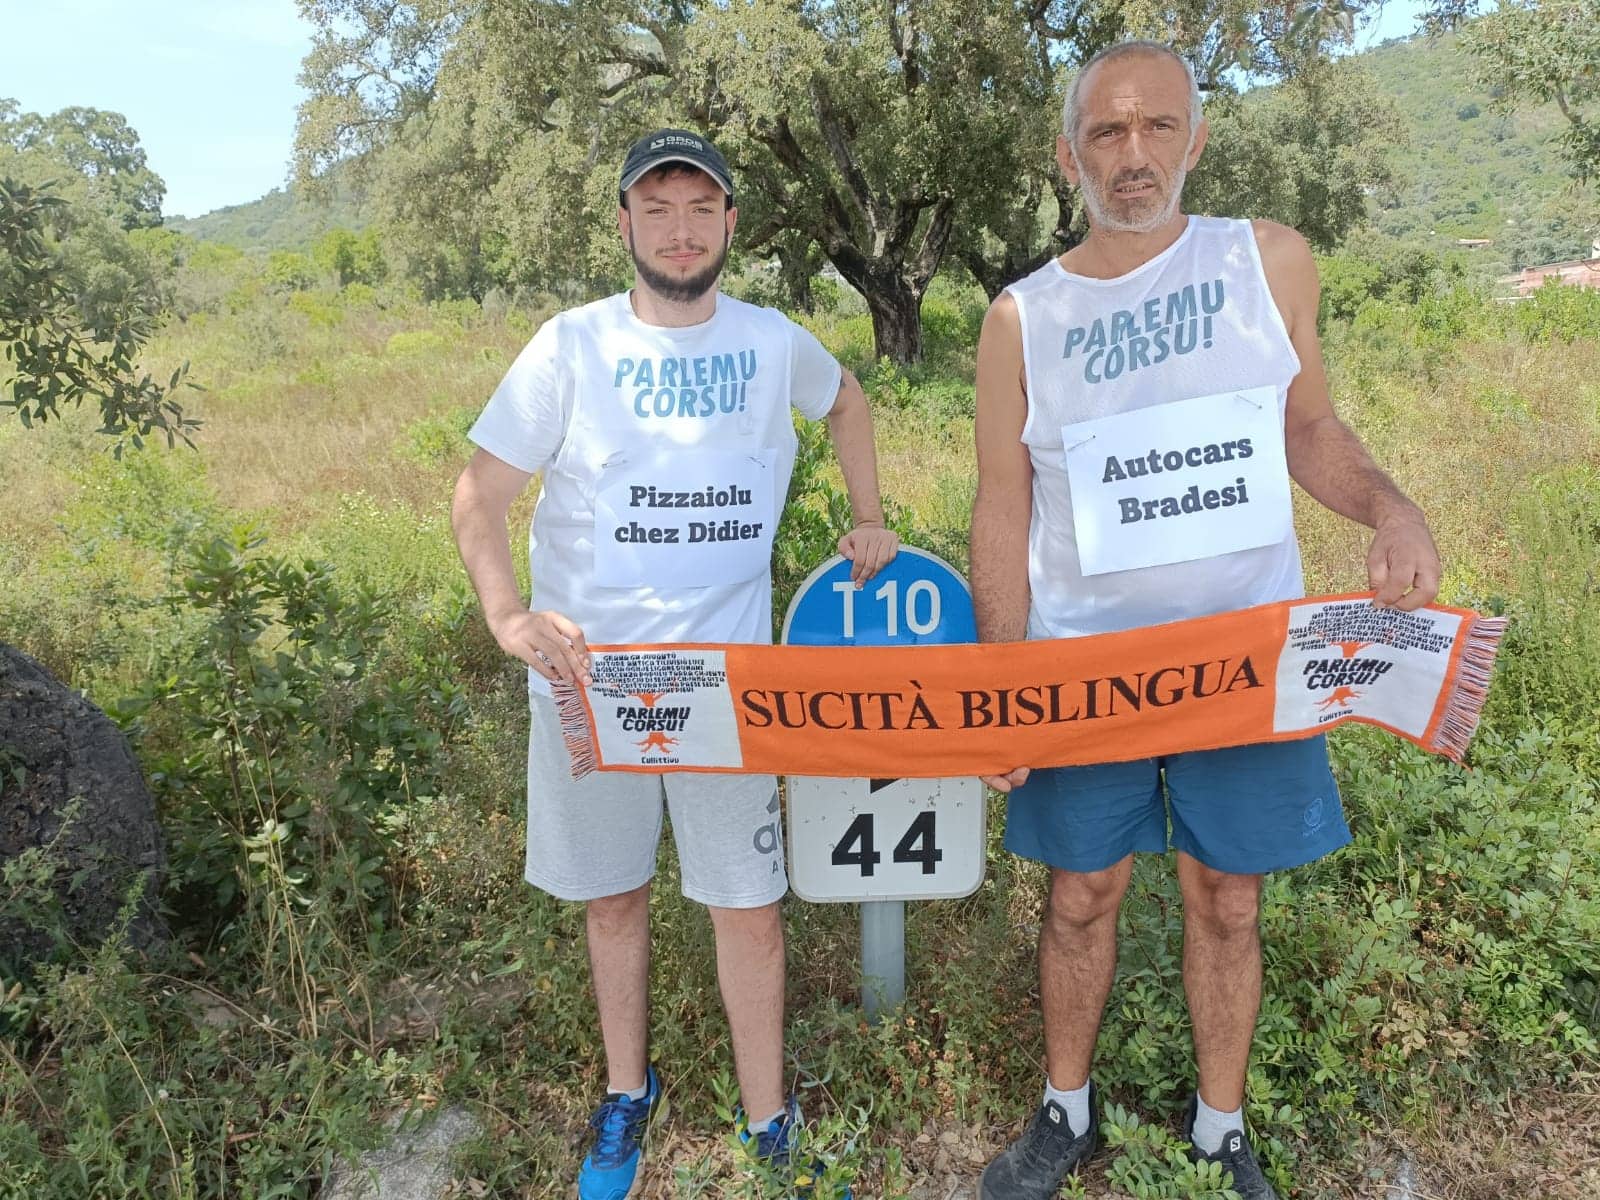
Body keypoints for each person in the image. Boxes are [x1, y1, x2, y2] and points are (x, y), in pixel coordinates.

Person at [968, 41, 1440, 1200]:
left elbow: (1308, 426)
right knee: (1079, 895)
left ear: (1197, 138)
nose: (1132, 155)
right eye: (1106, 131)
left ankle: (1219, 1129)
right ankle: (1065, 1113)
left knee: (1228, 898)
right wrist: (1003, 686)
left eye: (1157, 126)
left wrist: (1391, 508)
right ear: (1069, 153)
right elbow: (1001, 505)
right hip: (1087, 667)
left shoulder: (1263, 261)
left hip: (1246, 661)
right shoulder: (1021, 319)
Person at [452, 127, 898, 1200]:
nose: (681, 230)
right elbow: (480, 495)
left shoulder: (771, 342)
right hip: (590, 681)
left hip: (726, 686)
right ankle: (627, 1091)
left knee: (747, 905)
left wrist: (871, 515)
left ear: (730, 222)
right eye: (658, 209)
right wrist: (507, 614)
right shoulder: (570, 347)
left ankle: (768, 1120)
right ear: (625, 224)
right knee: (613, 900)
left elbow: (848, 401)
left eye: (701, 208)